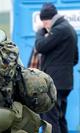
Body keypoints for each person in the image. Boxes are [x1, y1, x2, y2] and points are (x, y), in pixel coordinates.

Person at [35, 3, 78, 133]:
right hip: (65, 83)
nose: (46, 27)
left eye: (45, 23)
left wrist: (39, 31)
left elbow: (40, 46)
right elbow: (75, 58)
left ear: (49, 20)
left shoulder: (59, 29)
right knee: (60, 118)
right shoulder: (69, 28)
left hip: (55, 83)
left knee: (50, 120)